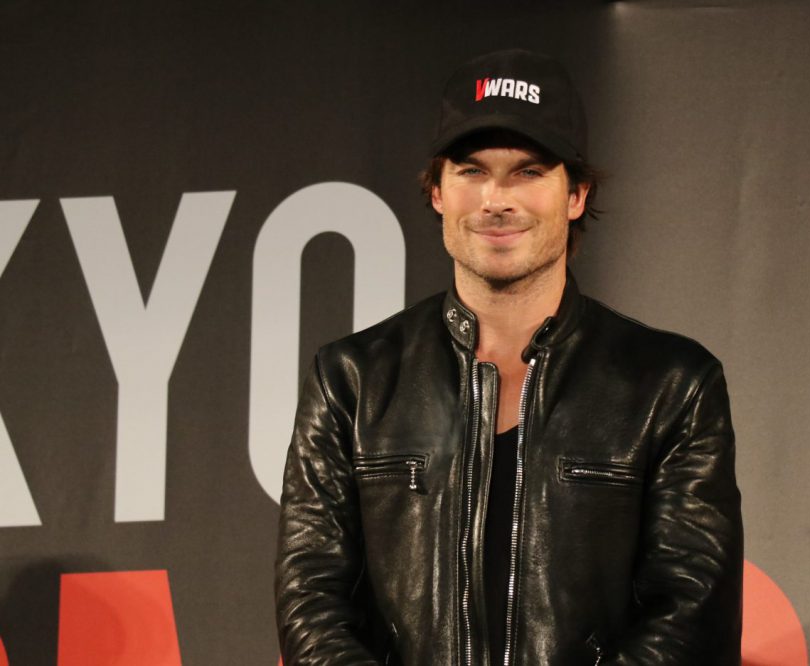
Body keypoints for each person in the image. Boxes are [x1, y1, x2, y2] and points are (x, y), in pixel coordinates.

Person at [275, 49, 743, 665]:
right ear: (436, 191)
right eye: (472, 171)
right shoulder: (351, 379)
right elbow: (310, 601)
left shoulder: (671, 385)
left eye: (527, 172)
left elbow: (692, 614)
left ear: (576, 194)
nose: (496, 199)